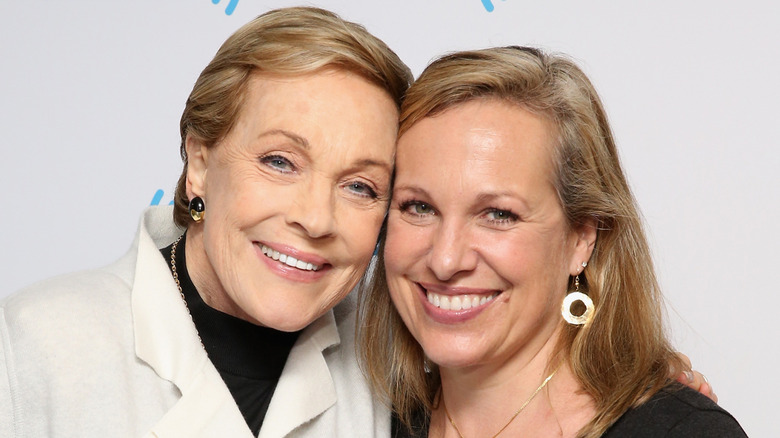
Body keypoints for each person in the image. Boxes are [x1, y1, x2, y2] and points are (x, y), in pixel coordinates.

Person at [0, 7, 412, 437]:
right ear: (199, 165)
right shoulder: (33, 344)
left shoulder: (396, 374)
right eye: (280, 162)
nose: (315, 219)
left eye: (360, 187)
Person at [358, 46, 746, 437]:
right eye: (419, 207)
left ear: (582, 238)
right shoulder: (362, 421)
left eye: (498, 214)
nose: (445, 260)